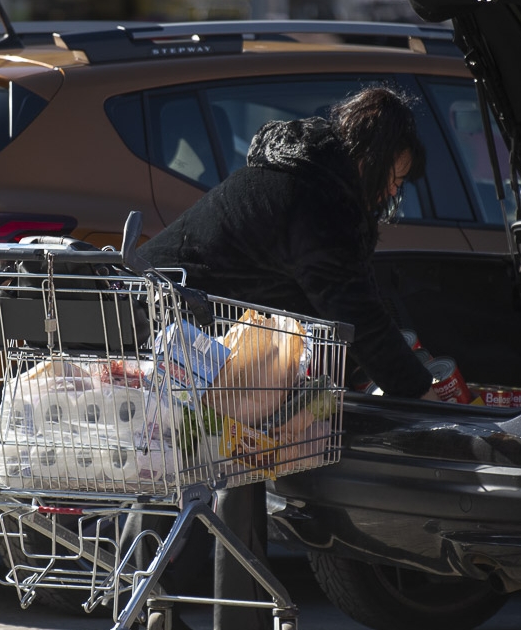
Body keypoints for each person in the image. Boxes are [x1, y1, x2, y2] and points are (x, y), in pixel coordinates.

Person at [135, 85, 440, 629]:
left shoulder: (302, 175)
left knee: (214, 464)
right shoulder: (318, 200)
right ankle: (215, 613)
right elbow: (350, 305)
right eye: (393, 179)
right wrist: (415, 390)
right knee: (223, 461)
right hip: (177, 335)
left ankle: (174, 608)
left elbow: (323, 300)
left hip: (174, 327)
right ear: (369, 160)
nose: (391, 195)